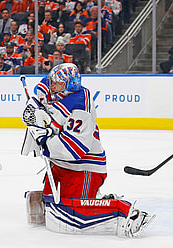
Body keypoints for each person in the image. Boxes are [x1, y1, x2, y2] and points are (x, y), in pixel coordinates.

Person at [21, 63, 155, 237]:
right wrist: (36, 105)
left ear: (70, 85)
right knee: (51, 206)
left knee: (72, 217)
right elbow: (43, 87)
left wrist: (45, 138)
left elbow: (74, 150)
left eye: (58, 84)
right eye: (53, 82)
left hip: (84, 168)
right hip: (59, 165)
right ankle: (100, 200)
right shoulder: (60, 88)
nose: (53, 86)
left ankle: (125, 212)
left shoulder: (80, 108)